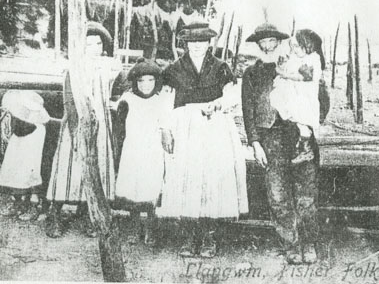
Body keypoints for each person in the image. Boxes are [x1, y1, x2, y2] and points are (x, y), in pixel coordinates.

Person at [156, 22, 248, 258]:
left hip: (214, 125)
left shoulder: (220, 67)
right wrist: (165, 129)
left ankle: (208, 237)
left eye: (202, 42)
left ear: (209, 44)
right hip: (184, 126)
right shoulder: (174, 69)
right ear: (186, 44)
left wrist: (218, 103)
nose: (197, 47)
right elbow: (166, 101)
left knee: (212, 176)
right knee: (186, 176)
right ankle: (188, 236)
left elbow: (231, 95)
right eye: (192, 43)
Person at [241, 22, 320, 265]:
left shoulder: (297, 65)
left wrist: (308, 125)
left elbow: (320, 96)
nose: (267, 45)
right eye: (262, 41)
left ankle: (309, 243)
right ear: (258, 45)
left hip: (299, 136)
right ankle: (291, 244)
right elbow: (248, 109)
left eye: (271, 40)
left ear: (279, 41)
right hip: (270, 139)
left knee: (306, 194)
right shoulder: (251, 73)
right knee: (277, 195)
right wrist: (255, 142)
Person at [45, 23, 121, 238]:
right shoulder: (74, 68)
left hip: (102, 124)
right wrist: (75, 128)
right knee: (68, 167)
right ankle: (55, 213)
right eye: (89, 44)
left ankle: (91, 214)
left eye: (98, 43)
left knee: (99, 166)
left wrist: (117, 102)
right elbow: (69, 99)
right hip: (77, 121)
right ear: (81, 47)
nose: (94, 48)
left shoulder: (110, 67)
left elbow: (122, 88)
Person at [114, 58, 170, 245]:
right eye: (141, 81)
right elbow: (119, 126)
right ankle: (134, 227)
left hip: (152, 151)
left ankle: (150, 228)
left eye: (150, 81)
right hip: (133, 150)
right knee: (133, 189)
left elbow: (165, 125)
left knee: (151, 188)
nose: (146, 85)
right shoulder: (128, 99)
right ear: (135, 83)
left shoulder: (161, 100)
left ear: (157, 82)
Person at [270, 29, 325, 164]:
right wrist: (284, 66)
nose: (293, 49)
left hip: (304, 96)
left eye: (296, 46)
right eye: (292, 46)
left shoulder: (313, 59)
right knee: (294, 116)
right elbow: (290, 67)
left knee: (302, 119)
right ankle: (303, 147)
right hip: (294, 94)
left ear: (307, 45)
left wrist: (285, 75)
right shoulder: (296, 57)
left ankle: (306, 150)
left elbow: (304, 77)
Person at [0, 90, 50, 221]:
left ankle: (34, 206)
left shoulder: (37, 125)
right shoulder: (19, 120)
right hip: (20, 139)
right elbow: (18, 127)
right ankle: (19, 203)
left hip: (31, 141)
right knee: (13, 168)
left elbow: (30, 126)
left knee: (30, 170)